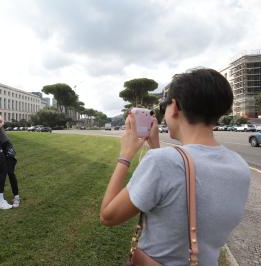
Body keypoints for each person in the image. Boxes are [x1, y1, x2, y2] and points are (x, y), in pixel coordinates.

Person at [100, 68, 250, 265]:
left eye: (164, 106)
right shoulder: (240, 165)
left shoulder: (162, 163)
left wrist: (125, 156)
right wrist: (155, 148)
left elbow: (108, 216)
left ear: (175, 107)